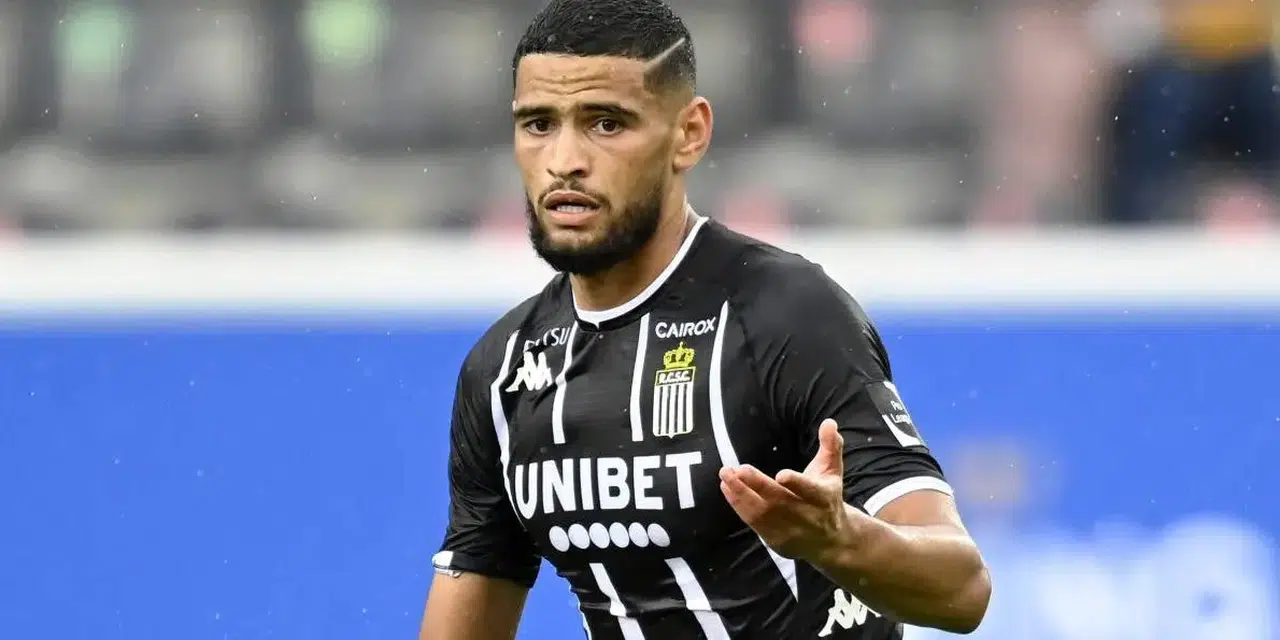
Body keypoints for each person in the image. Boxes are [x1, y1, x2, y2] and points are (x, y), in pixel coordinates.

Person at [419, 0, 991, 637]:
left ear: (689, 133)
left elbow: (962, 589)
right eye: (538, 124)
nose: (565, 159)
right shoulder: (502, 371)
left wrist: (839, 539)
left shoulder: (784, 313)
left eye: (606, 123)